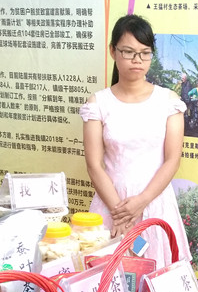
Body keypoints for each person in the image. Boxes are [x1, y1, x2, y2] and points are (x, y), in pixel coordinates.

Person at [80, 14, 192, 269]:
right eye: (128, 52)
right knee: (107, 283)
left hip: (155, 203)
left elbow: (172, 160)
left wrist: (141, 202)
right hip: (111, 204)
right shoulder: (98, 103)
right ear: (113, 52)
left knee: (156, 283)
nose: (137, 60)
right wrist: (119, 213)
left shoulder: (168, 101)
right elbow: (94, 164)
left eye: (144, 53)